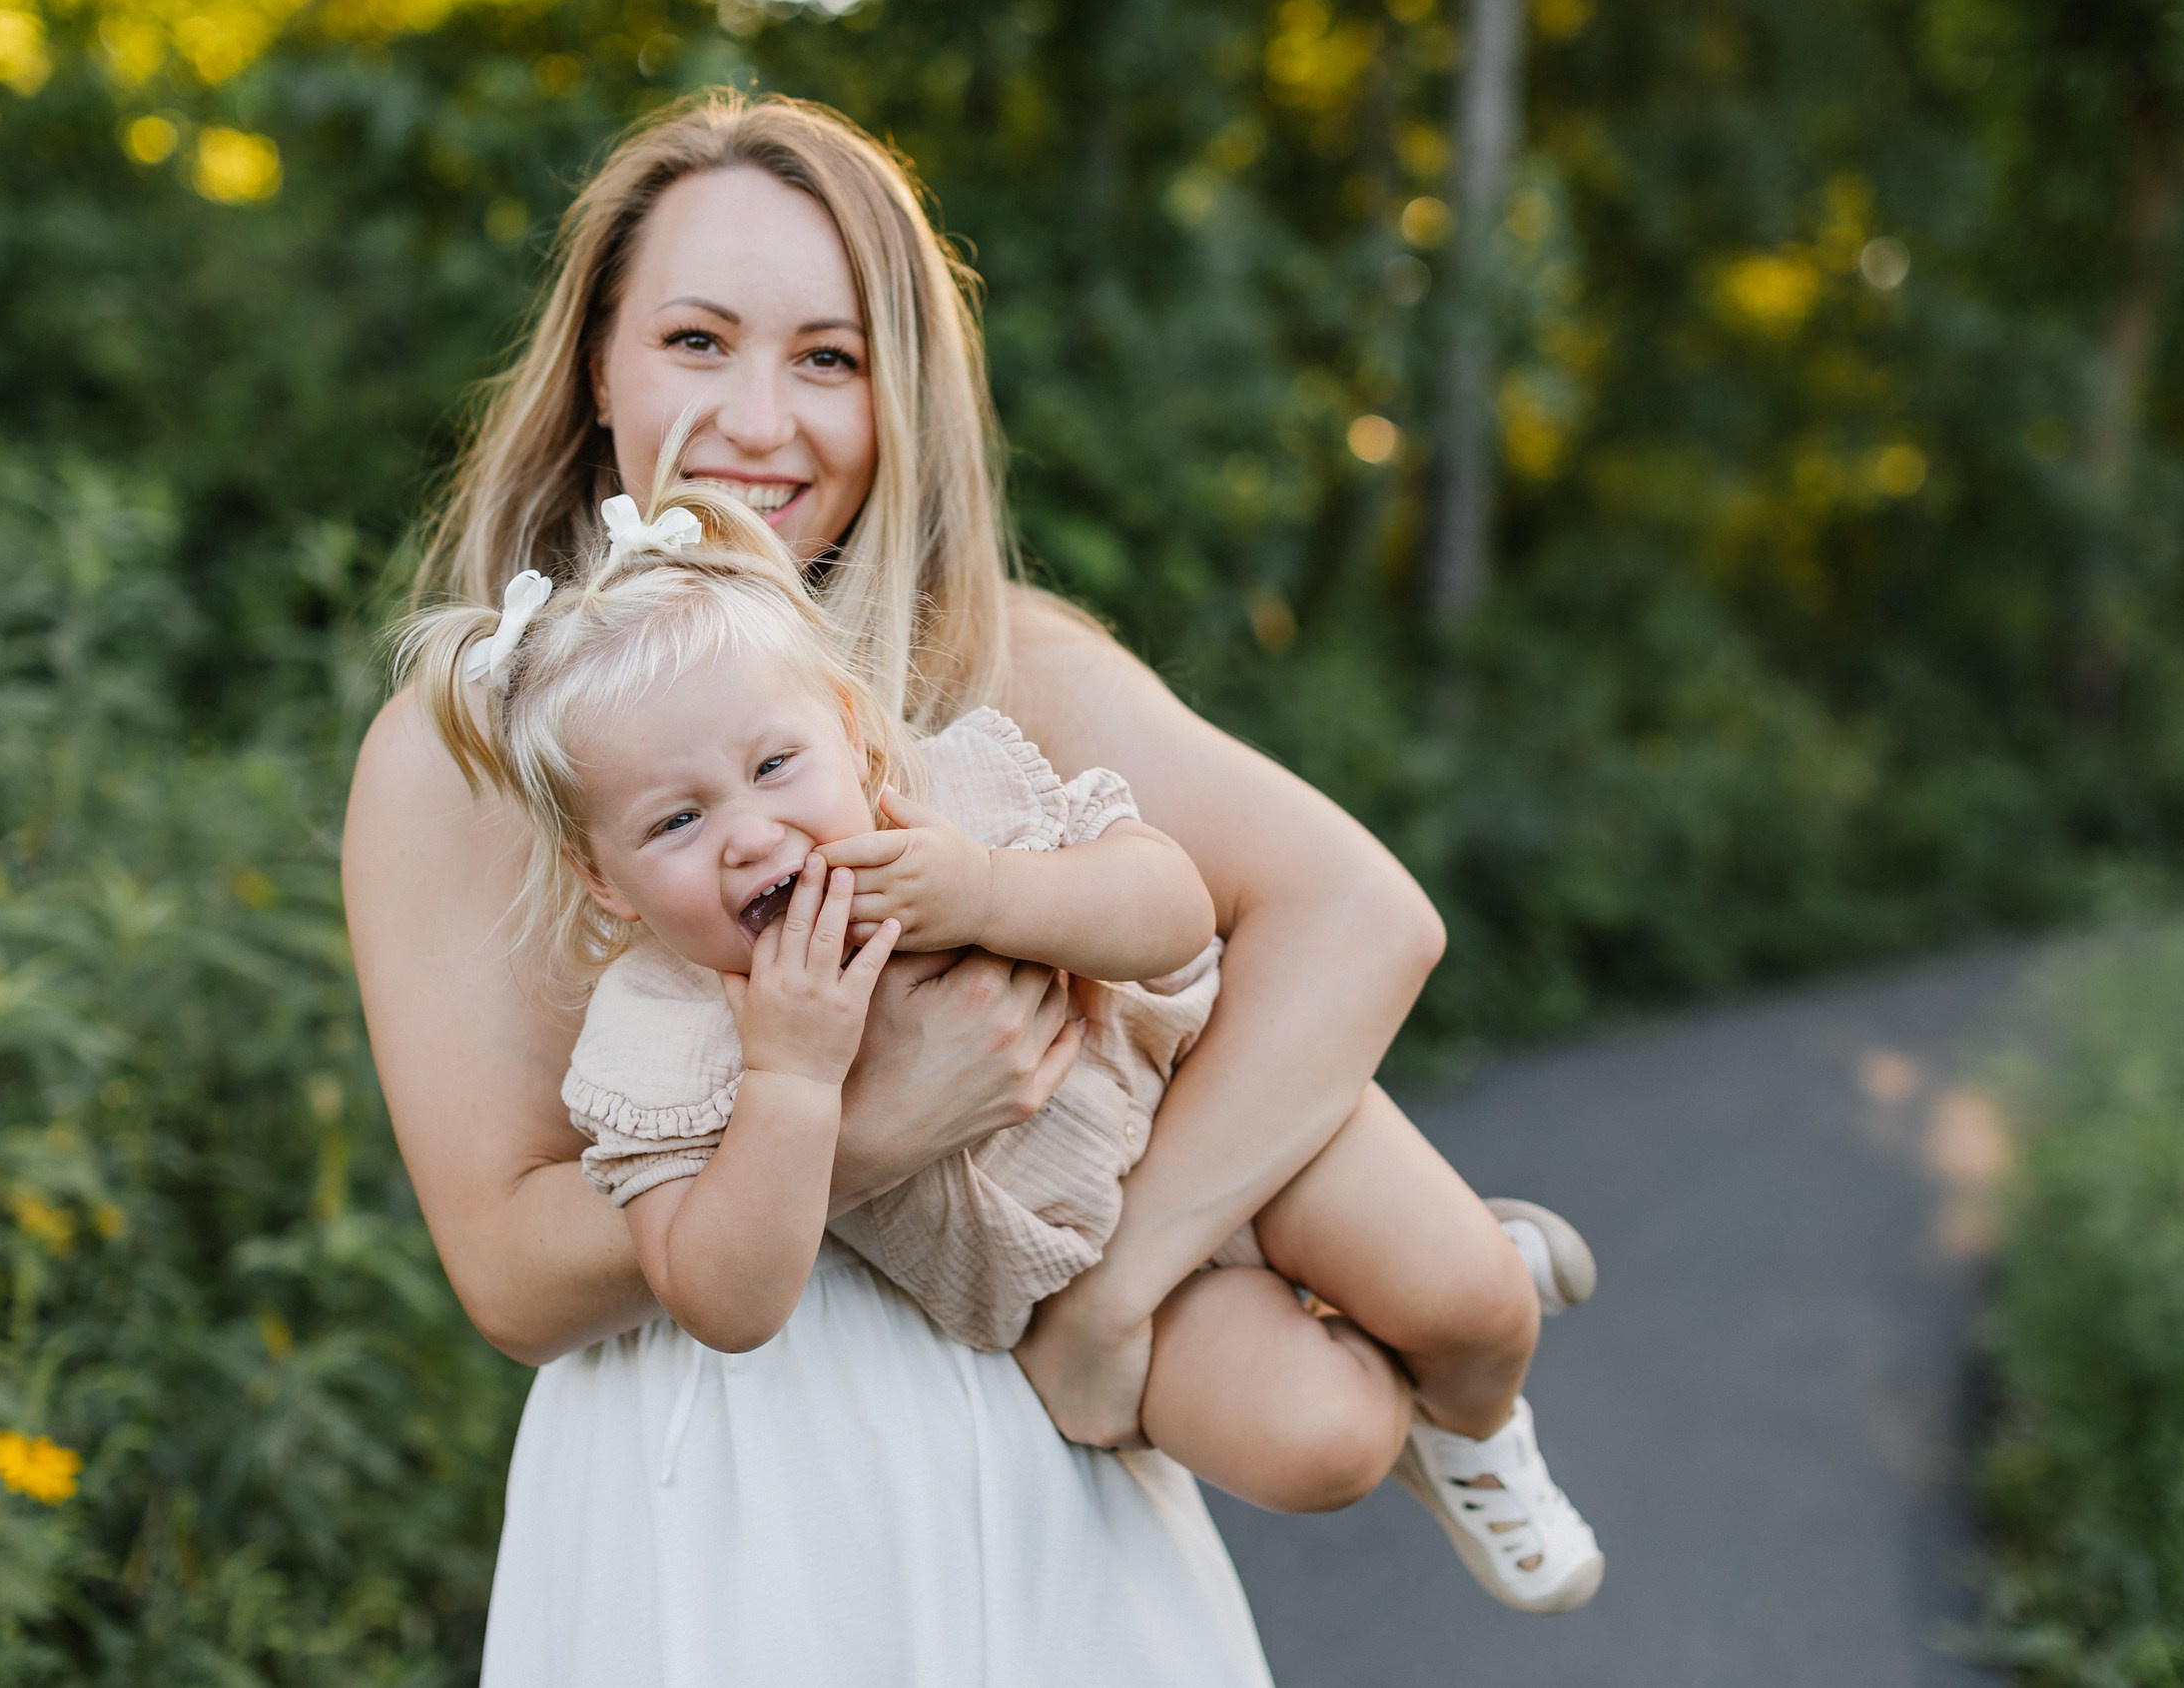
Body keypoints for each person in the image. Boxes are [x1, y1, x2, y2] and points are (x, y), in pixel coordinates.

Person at [342, 91, 1586, 1685]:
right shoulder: (468, 755)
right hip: (711, 1464)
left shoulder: (987, 659)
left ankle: (1393, 1299)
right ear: (599, 363)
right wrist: (851, 1134)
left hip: (1029, 1420)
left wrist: (1123, 1287)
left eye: (829, 359)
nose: (759, 420)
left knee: (1336, 1422)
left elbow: (1354, 915)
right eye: (698, 340)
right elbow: (509, 1273)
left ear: (898, 394)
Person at [403, 451, 1604, 1614]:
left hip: (1201, 1103)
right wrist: (792, 1079)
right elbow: (722, 1297)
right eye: (675, 821)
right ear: (604, 880)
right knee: (1323, 1445)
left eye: (775, 764)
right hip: (1061, 1272)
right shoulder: (658, 1038)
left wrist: (988, 891)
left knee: (1474, 1305)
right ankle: (1389, 1369)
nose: (752, 833)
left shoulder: (955, 796)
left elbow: (1176, 909)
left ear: (852, 736)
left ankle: (1476, 1425)